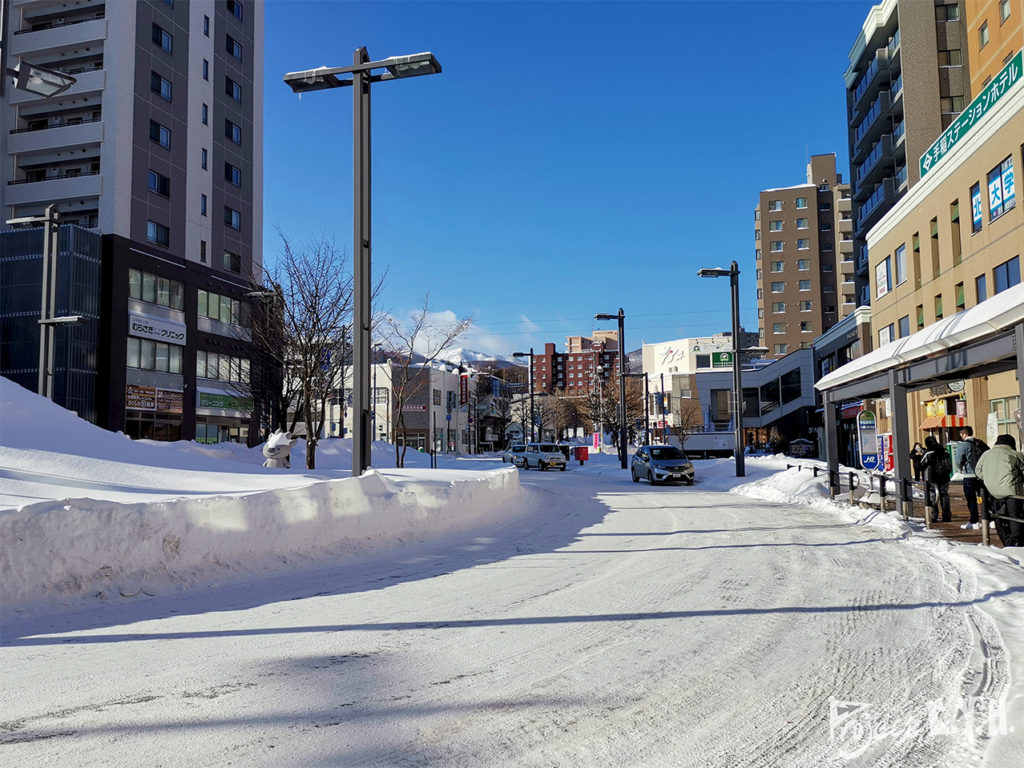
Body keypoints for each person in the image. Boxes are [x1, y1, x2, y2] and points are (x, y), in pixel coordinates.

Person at [975, 434, 1024, 547]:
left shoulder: (986, 454)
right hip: (1013, 491)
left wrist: (989, 478)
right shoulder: (1014, 454)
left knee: (999, 517)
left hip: (993, 491)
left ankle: (1006, 540)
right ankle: (1017, 541)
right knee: (1015, 516)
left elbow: (978, 471)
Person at [954, 426, 989, 530]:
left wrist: (961, 469)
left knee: (971, 499)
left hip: (969, 475)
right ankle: (988, 519)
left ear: (964, 434)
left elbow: (958, 460)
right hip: (982, 475)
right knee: (984, 498)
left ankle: (974, 521)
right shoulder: (981, 443)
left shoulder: (963, 445)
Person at [920, 435, 952, 522]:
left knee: (932, 496)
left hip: (932, 477)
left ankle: (934, 515)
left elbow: (921, 464)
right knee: (944, 495)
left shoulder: (928, 452)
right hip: (944, 477)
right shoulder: (944, 451)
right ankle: (947, 515)